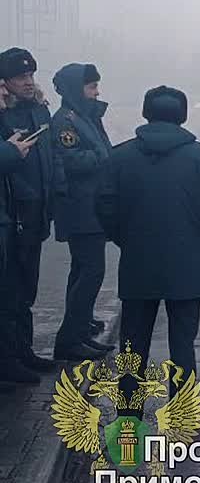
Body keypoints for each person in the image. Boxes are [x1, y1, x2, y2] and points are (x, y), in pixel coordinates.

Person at [95, 86, 200, 397]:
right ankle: (183, 422)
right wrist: (199, 242)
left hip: (137, 262)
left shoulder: (119, 157)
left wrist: (126, 239)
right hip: (188, 265)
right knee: (182, 345)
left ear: (146, 113)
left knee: (132, 345)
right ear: (182, 116)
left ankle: (129, 418)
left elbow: (104, 206)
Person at [50, 64, 115, 361]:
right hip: (80, 208)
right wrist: (104, 157)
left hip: (91, 207)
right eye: (91, 87)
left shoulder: (85, 118)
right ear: (77, 89)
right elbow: (71, 160)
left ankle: (80, 330)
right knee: (91, 272)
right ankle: (69, 338)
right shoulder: (65, 120)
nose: (97, 92)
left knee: (82, 271)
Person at [0, 47, 59, 376]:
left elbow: (51, 159)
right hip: (13, 214)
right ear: (5, 81)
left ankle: (23, 350)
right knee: (10, 291)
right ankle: (9, 360)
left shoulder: (39, 110)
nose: (28, 81)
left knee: (27, 289)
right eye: (21, 76)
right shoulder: (3, 113)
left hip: (37, 212)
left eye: (31, 75)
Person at [0, 93, 37, 386]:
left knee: (15, 291)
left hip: (14, 217)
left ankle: (14, 356)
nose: (3, 93)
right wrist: (10, 153)